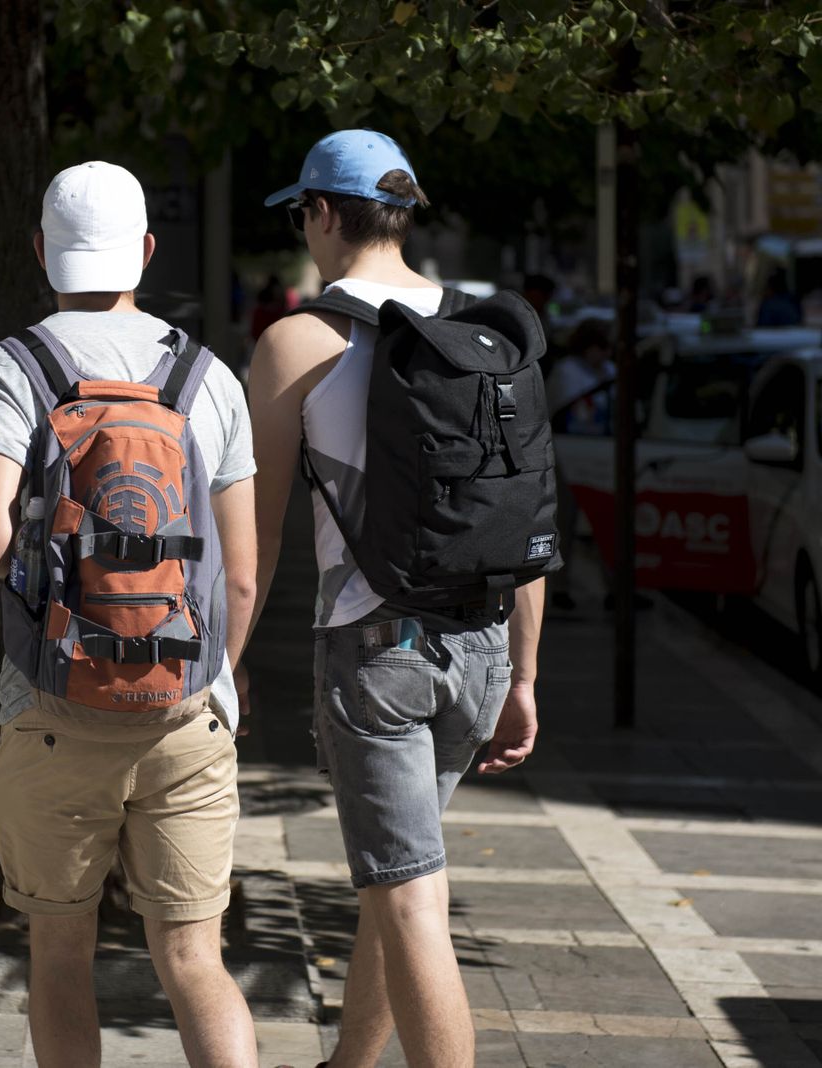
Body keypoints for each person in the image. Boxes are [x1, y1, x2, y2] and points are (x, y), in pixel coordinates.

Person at [246, 130, 545, 1068]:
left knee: (412, 896)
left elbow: (256, 536)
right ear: (403, 216)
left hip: (375, 653)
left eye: (303, 214)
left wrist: (226, 659)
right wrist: (524, 678)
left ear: (321, 214)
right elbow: (524, 518)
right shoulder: (488, 335)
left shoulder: (298, 342)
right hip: (481, 647)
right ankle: (348, 1063)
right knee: (398, 872)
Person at [0, 161, 260, 1068]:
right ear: (147, 250)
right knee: (195, 960)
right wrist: (210, 678)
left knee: (60, 955)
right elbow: (241, 576)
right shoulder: (208, 375)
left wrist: (55, 590)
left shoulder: (11, 367)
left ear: (41, 250)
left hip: (54, 705)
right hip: (184, 711)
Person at [544, 319, 615, 611]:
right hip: (566, 455)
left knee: (608, 525)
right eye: (600, 347)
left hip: (602, 455)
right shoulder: (568, 372)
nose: (605, 353)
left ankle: (614, 587)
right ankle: (561, 587)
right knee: (566, 524)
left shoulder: (609, 371)